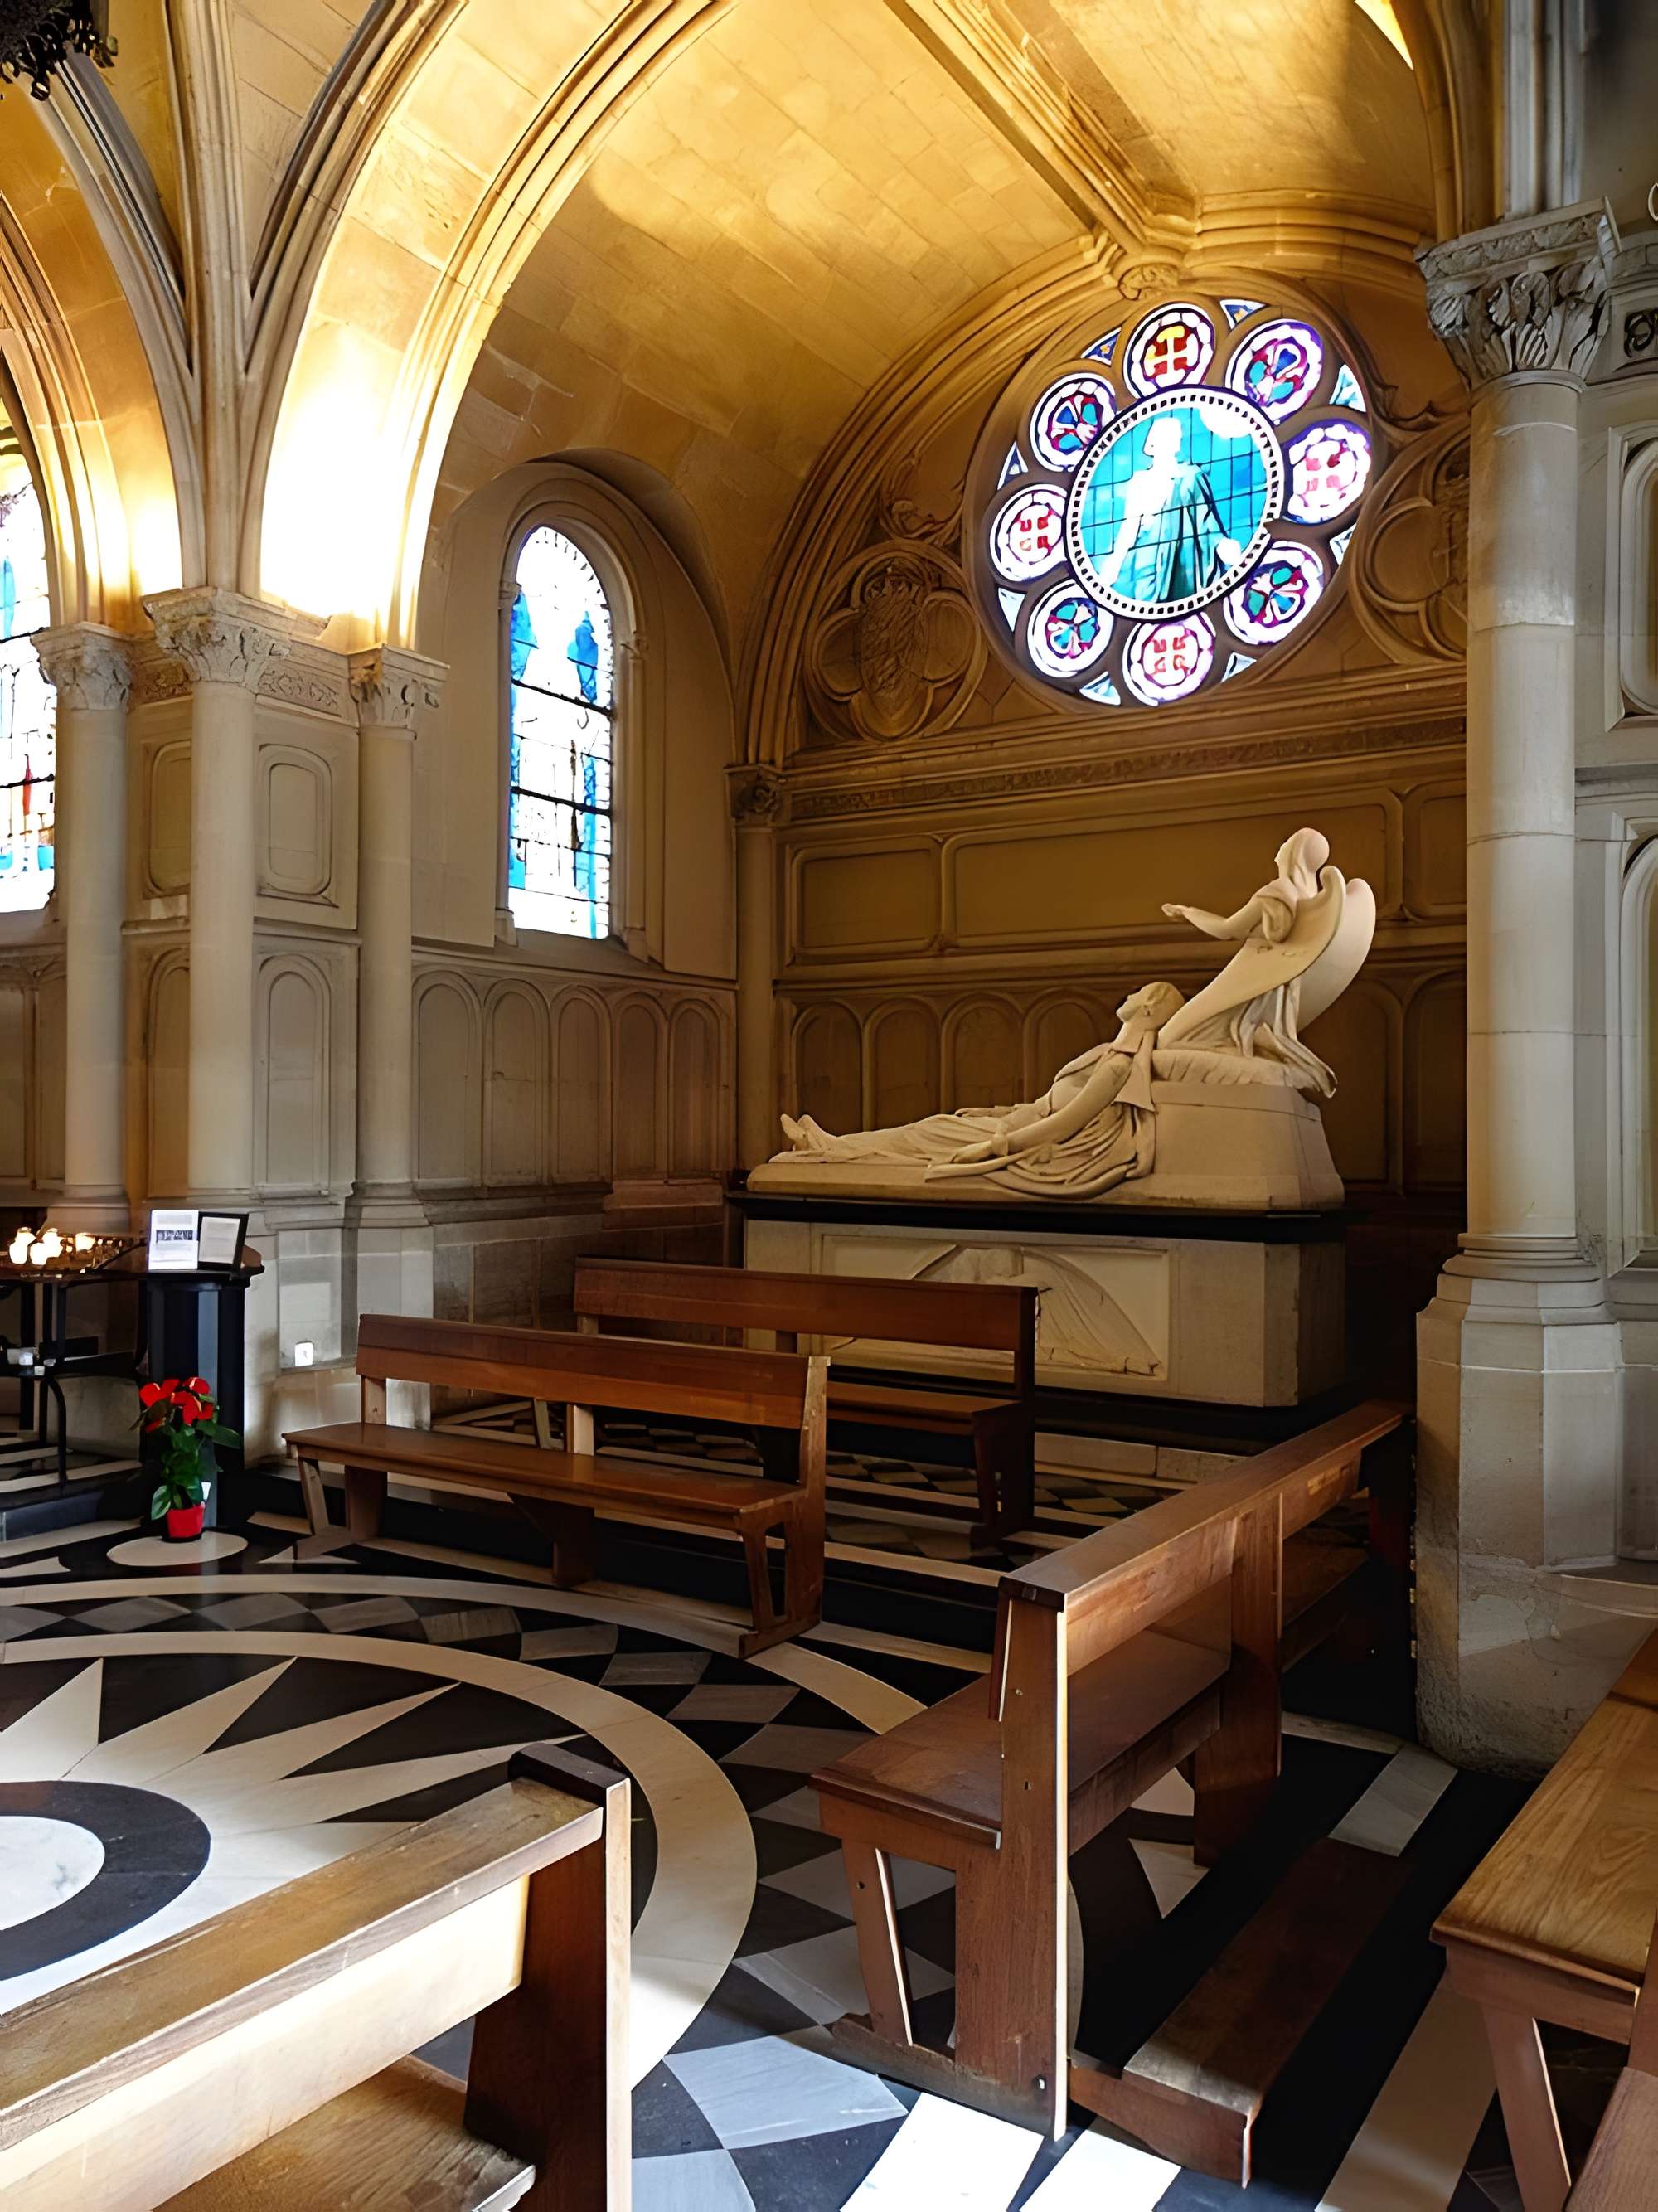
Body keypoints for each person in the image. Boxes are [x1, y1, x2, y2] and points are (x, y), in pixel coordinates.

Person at [778, 981, 1185, 1199]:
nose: (1128, 995)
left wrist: (995, 1145)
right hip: (1006, 1125)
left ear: (1147, 1007)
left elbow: (1063, 1124)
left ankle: (828, 1150)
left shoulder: (1118, 1065)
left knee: (923, 1137)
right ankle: (829, 1147)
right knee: (931, 1128)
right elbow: (1044, 1104)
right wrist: (992, 1113)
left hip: (1014, 1141)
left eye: (1138, 992)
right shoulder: (1109, 1053)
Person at [1161, 827, 1336, 1092]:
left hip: (1251, 975)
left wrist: (1188, 912)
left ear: (1293, 853)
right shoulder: (1308, 895)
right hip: (1278, 983)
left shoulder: (1279, 890)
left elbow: (1227, 929)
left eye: (1286, 843)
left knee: (1171, 1037)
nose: (1280, 848)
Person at [1095, 414, 1242, 604]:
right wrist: (1114, 564)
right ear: (1153, 444)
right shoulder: (1139, 482)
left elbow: (1206, 520)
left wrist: (1221, 543)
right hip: (1147, 561)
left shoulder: (1190, 477)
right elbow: (1129, 528)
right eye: (1164, 438)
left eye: (1174, 438)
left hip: (1183, 559)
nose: (1171, 442)